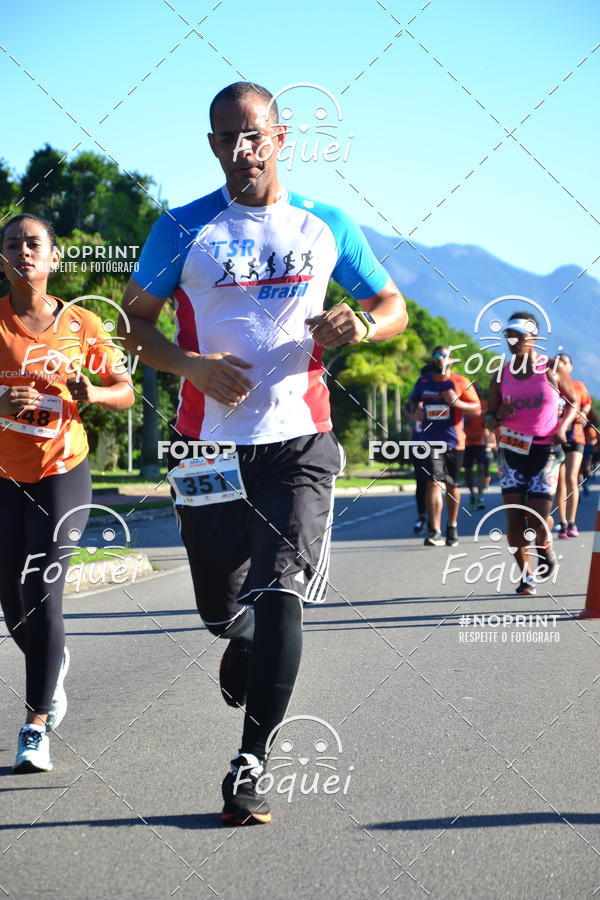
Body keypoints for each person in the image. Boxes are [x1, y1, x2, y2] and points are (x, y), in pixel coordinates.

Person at [119, 81, 407, 825]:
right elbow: (134, 325)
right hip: (206, 448)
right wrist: (189, 367)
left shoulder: (325, 224)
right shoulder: (180, 230)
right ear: (212, 146)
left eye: (254, 135)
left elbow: (392, 305)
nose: (242, 151)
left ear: (280, 136)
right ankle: (238, 637)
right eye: (226, 138)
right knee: (222, 609)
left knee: (283, 593)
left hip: (300, 443)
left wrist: (364, 326)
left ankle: (252, 763)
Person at [0, 214, 133, 773]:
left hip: (63, 470)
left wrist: (94, 393)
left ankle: (34, 727)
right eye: (12, 244)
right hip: (5, 477)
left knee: (42, 589)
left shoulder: (82, 324)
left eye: (34, 244)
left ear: (54, 259)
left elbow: (125, 391)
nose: (23, 252)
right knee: (13, 606)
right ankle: (52, 664)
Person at [486, 312, 578, 596]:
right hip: (511, 450)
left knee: (537, 520)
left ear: (533, 338)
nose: (513, 341)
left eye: (519, 336)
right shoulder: (500, 374)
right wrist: (498, 415)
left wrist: (562, 426)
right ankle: (526, 576)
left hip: (546, 449)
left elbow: (573, 401)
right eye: (508, 336)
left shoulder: (551, 367)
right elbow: (489, 419)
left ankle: (544, 544)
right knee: (514, 519)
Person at [408, 346, 480, 547]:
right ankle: (435, 530)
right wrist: (416, 411)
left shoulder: (460, 382)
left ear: (450, 360)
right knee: (433, 481)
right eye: (436, 355)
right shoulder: (424, 382)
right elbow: (412, 402)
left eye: (443, 356)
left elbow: (476, 409)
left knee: (452, 486)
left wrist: (457, 403)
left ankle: (452, 526)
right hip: (430, 440)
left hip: (454, 441)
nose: (440, 359)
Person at [553, 353, 592, 538]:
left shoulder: (578, 386)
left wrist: (583, 412)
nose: (561, 364)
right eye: (558, 361)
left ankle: (572, 522)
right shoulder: (551, 383)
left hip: (575, 436)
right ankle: (561, 523)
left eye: (565, 362)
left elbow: (586, 404)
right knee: (558, 481)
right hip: (554, 436)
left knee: (571, 477)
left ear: (571, 367)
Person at [463, 383, 489, 511]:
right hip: (466, 443)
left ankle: (480, 496)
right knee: (468, 471)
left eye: (477, 391)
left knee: (481, 468)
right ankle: (472, 494)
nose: (476, 393)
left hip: (481, 442)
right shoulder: (464, 405)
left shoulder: (484, 405)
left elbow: (490, 420)